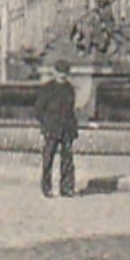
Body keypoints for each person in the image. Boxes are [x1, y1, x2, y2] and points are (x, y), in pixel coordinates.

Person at [35, 59, 78, 198]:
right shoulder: (46, 89)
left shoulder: (70, 89)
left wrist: (73, 128)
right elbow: (39, 110)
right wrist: (46, 123)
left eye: (65, 75)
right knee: (48, 158)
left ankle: (67, 187)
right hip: (52, 127)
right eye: (60, 74)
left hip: (66, 128)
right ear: (54, 73)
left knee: (67, 159)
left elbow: (71, 110)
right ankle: (46, 187)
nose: (62, 77)